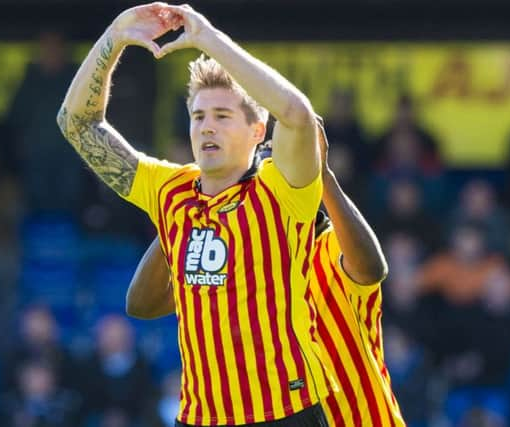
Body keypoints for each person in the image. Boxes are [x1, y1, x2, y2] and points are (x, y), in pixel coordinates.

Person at [57, 3, 328, 425]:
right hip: (200, 415)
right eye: (198, 116)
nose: (206, 127)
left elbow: (297, 115)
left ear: (258, 132)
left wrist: (208, 39)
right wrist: (114, 36)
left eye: (222, 116)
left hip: (285, 410)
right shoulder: (168, 188)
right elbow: (76, 123)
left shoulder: (282, 187)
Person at [127, 121, 406, 426]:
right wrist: (186, 210)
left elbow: (371, 269)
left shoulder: (329, 246)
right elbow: (141, 305)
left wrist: (322, 173)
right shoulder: (237, 264)